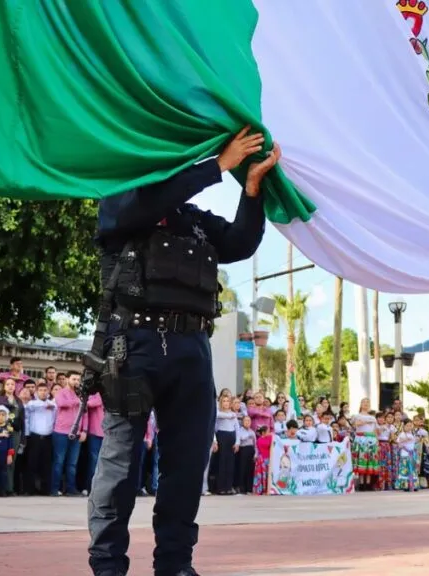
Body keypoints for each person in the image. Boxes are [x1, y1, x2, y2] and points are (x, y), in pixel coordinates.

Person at [86, 127, 277, 576]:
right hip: (132, 346)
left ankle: (174, 564)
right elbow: (147, 202)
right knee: (121, 465)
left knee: (187, 466)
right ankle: (108, 566)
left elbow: (238, 243)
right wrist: (217, 166)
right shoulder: (120, 201)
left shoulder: (191, 219)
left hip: (192, 348)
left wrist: (251, 194)